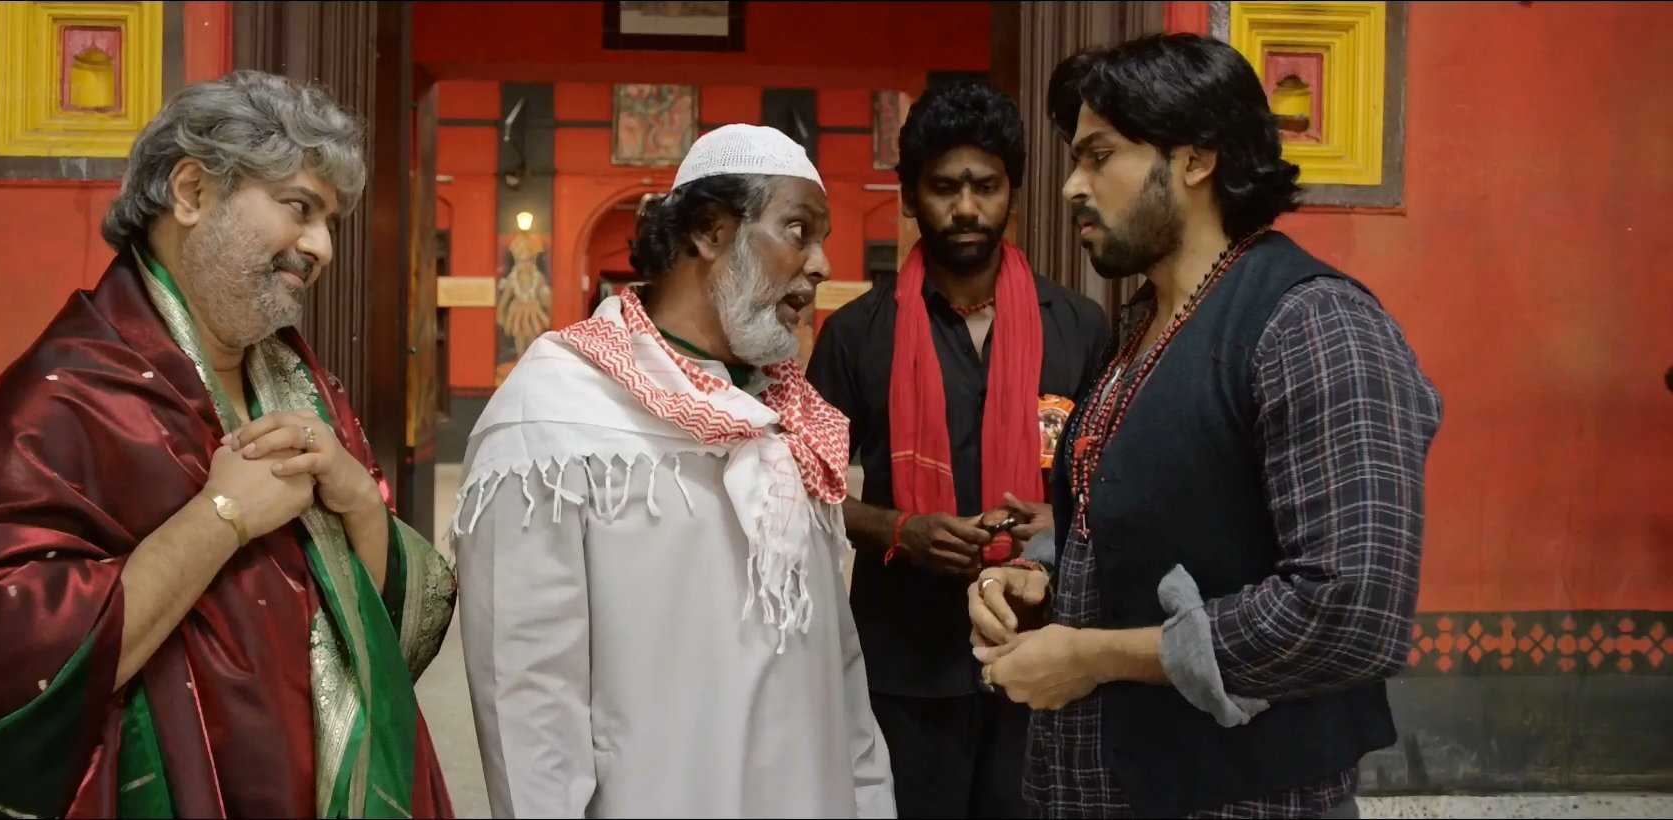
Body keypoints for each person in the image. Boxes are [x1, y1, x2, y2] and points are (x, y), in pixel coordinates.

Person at [0, 71, 458, 819]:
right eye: (299, 208)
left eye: (330, 221)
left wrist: (357, 500)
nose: (321, 246)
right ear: (191, 192)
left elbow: (387, 612)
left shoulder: (295, 380)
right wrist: (223, 515)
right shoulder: (69, 393)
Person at [967, 33, 1443, 818]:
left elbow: (1350, 612)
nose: (1072, 186)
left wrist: (1094, 656)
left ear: (1195, 158)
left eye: (1099, 156)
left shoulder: (1312, 323)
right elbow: (1149, 521)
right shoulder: (1139, 328)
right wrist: (1040, 581)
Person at [453, 123, 896, 819]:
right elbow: (528, 703)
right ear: (711, 231)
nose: (820, 264)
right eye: (798, 230)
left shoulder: (793, 420)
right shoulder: (554, 420)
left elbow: (837, 666)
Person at [805, 81, 1112, 818]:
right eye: (945, 187)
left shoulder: (1078, 327)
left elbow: (1114, 479)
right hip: (904, 658)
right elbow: (800, 490)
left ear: (1013, 193)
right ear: (911, 196)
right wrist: (899, 529)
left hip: (1043, 648)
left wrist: (1056, 523)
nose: (967, 208)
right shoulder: (856, 335)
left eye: (986, 186)